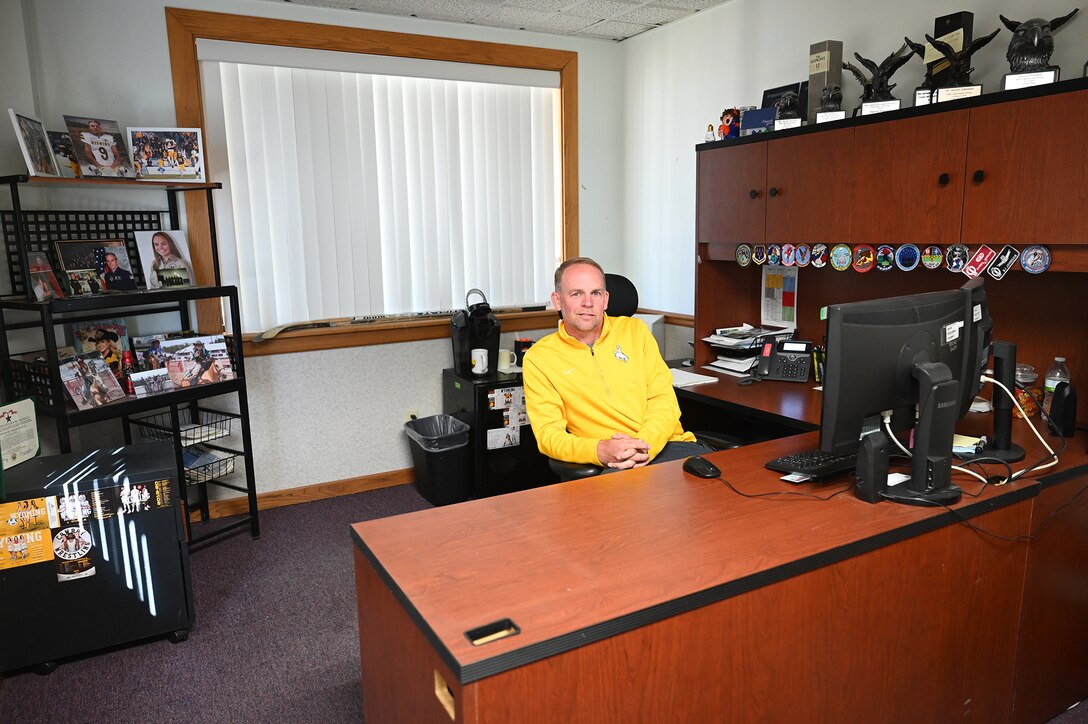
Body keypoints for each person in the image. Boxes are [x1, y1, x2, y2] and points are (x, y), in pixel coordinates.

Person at [523, 257, 712, 471]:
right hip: (613, 461)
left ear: (605, 299)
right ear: (557, 301)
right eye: (576, 294)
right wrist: (599, 450)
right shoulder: (539, 358)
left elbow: (663, 400)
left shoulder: (636, 331)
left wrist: (644, 445)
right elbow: (549, 436)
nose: (588, 302)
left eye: (595, 293)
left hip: (668, 446)